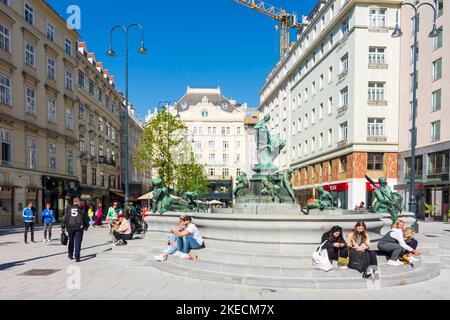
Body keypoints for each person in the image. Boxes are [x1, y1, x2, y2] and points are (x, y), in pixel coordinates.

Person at [61, 198, 89, 263]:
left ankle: (70, 255)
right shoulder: (81, 209)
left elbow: (64, 218)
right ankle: (77, 257)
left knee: (71, 241)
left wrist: (62, 227)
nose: (80, 203)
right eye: (80, 202)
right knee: (78, 242)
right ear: (77, 202)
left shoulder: (68, 209)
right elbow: (85, 218)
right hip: (79, 227)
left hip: (70, 227)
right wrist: (86, 226)